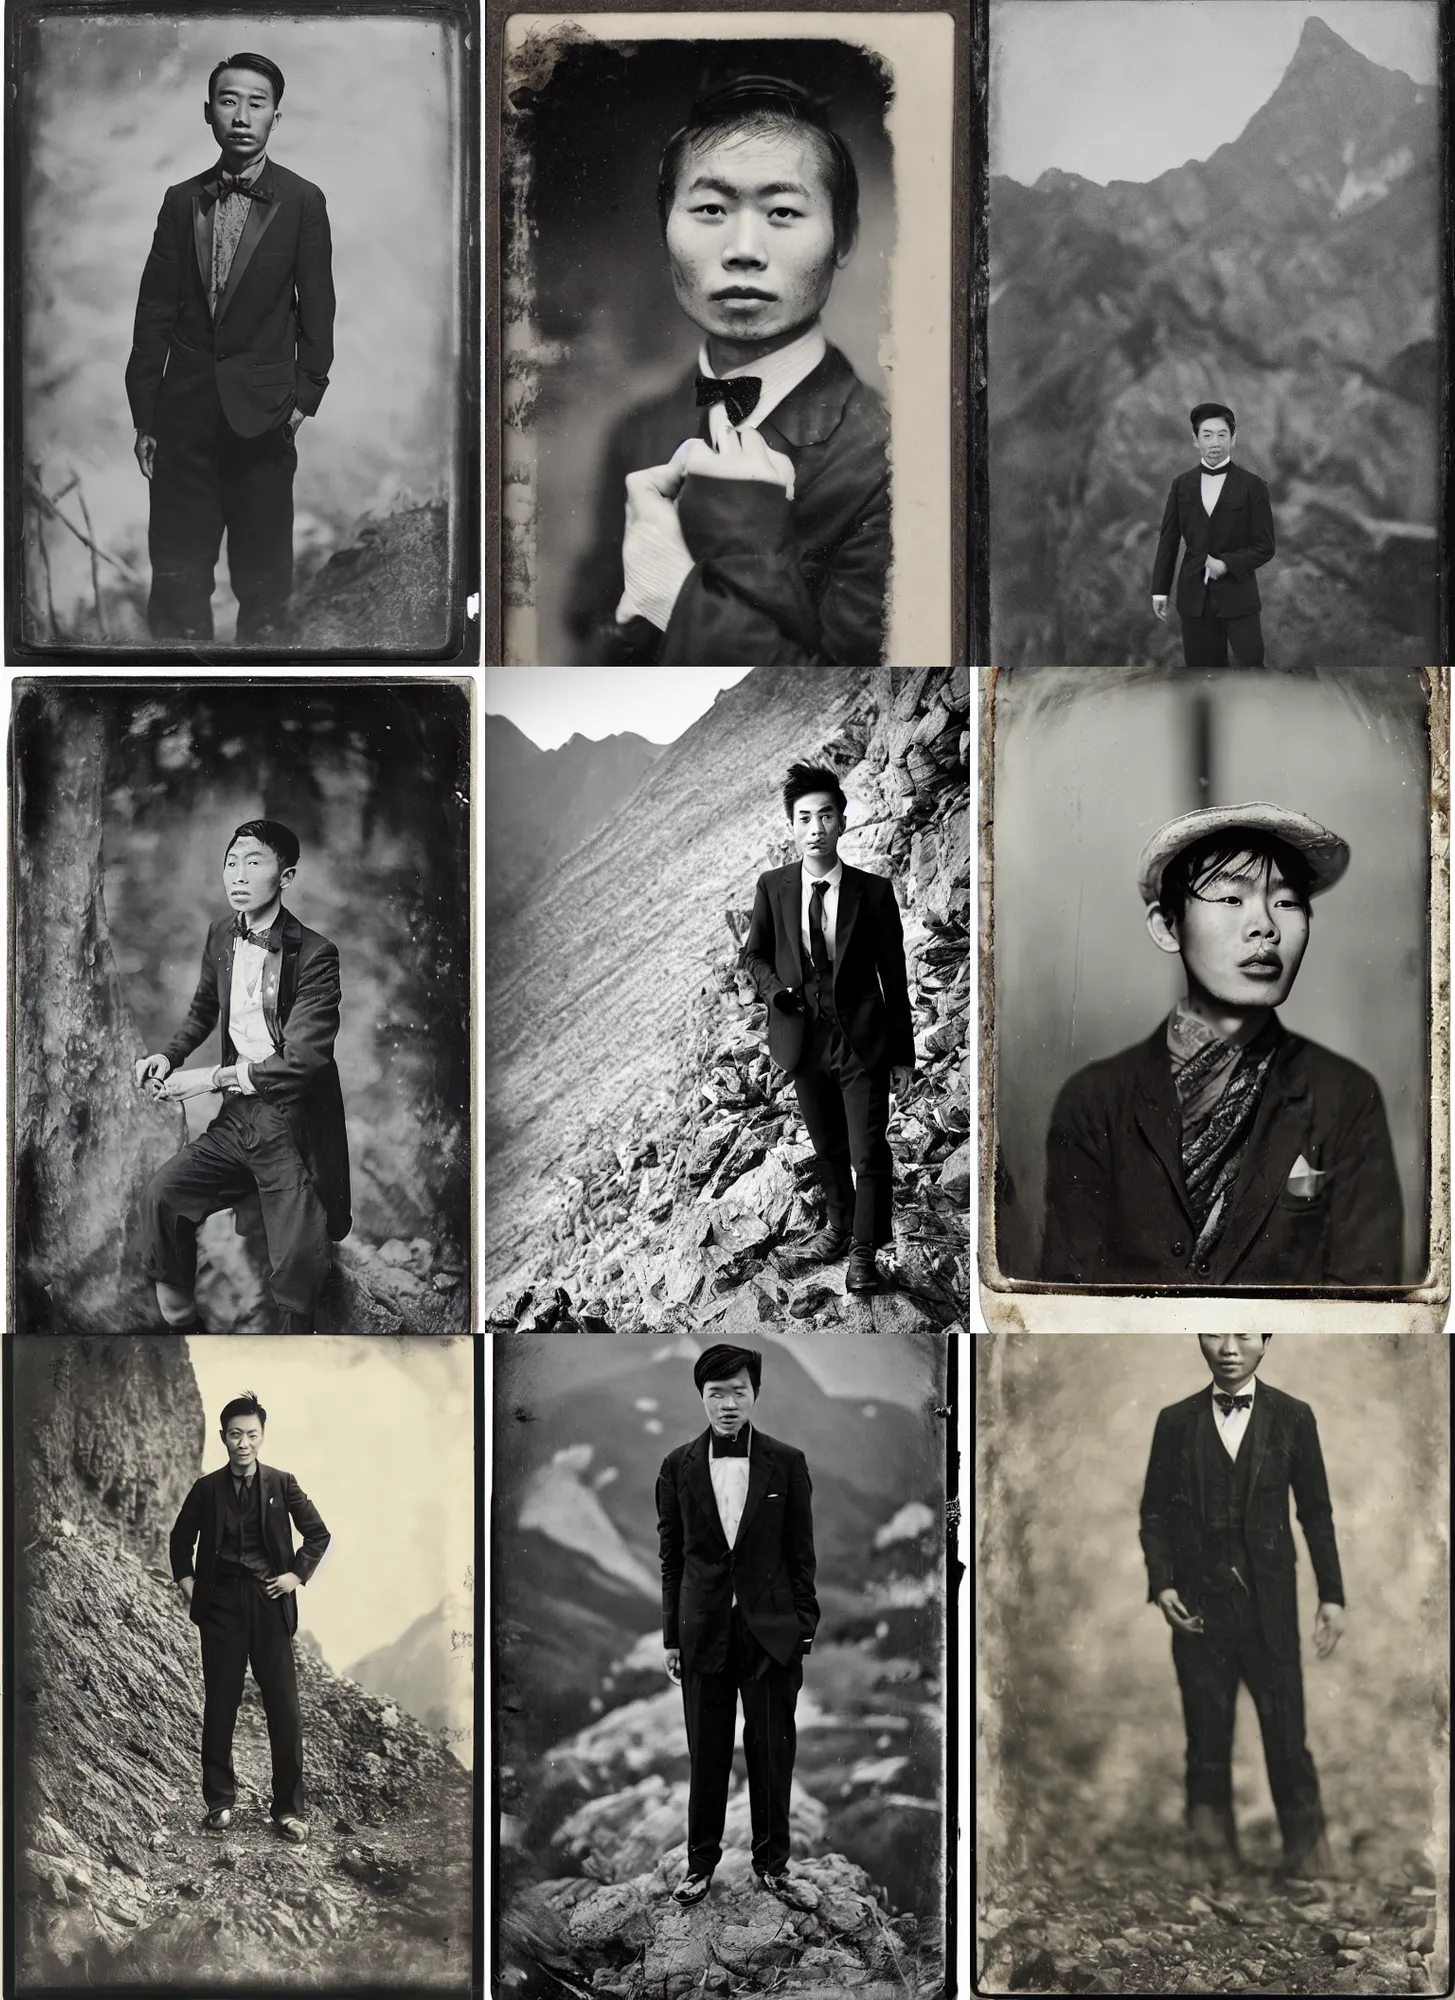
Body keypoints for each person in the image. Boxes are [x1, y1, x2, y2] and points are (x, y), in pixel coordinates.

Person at [567, 75, 890, 666]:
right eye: (710, 208)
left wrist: (676, 599)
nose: (745, 248)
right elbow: (592, 638)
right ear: (666, 231)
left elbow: (846, 688)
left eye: (784, 211)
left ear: (843, 237)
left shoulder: (893, 459)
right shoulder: (638, 429)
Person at [1041, 803, 1402, 1286]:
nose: (1265, 927)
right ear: (1167, 927)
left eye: (1288, 902)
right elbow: (1067, 1292)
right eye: (1232, 899)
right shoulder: (1094, 1101)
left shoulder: (1345, 1096)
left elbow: (1367, 1290)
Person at [125, 52, 335, 644]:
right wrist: (146, 415)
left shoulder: (302, 201)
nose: (241, 115)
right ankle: (180, 717)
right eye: (228, 100)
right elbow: (154, 313)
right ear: (210, 114)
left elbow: (318, 308)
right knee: (178, 583)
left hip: (265, 420)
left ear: (274, 117)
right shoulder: (180, 199)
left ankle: (257, 723)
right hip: (182, 418)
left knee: (265, 589)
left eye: (256, 103)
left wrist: (302, 401)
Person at [135, 819, 352, 1333]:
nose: (238, 874)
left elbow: (301, 1063)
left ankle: (293, 1371)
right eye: (231, 862)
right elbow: (203, 1011)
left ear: (286, 875)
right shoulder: (221, 935)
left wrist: (210, 1078)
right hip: (238, 1119)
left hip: (292, 1129)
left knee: (297, 1272)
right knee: (162, 1198)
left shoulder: (316, 956)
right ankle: (186, 1335)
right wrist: (168, 1057)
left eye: (254, 863)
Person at [1139, 1333, 1344, 1878]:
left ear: (1266, 1342)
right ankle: (1210, 1860)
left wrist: (1332, 1596)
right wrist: (1163, 1587)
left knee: (1286, 1733)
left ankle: (1308, 1861)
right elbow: (1154, 1513)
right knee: (1206, 1733)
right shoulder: (1175, 1422)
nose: (1229, 1348)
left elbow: (1316, 1514)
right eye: (1214, 1334)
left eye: (1244, 1336)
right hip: (1199, 1606)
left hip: (1268, 1610)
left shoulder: (1293, 1417)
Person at [657, 1344, 819, 1908]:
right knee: (707, 1751)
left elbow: (802, 1554)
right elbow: (673, 1558)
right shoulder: (676, 1465)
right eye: (716, 1393)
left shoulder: (787, 1461)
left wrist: (803, 1628)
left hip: (772, 1634)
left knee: (773, 1750)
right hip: (703, 1631)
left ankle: (773, 1867)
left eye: (739, 1392)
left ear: (755, 1394)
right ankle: (699, 1866)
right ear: (701, 1397)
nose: (728, 1404)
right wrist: (672, 1637)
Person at [743, 762, 914, 1293]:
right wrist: (776, 995)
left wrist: (903, 1055)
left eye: (825, 816)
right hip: (803, 1041)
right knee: (828, 1147)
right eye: (804, 818)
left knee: (869, 1150)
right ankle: (839, 1227)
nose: (815, 827)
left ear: (841, 821)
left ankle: (865, 1251)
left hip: (862, 1042)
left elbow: (895, 978)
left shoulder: (874, 893)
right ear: (791, 828)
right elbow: (753, 956)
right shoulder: (773, 888)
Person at [170, 1391, 331, 1842]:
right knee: (221, 1705)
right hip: (220, 1607)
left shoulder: (282, 1484)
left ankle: (288, 1810)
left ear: (262, 1437)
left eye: (251, 1434)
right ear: (223, 1437)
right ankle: (219, 1802)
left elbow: (318, 1534)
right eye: (235, 1434)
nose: (243, 1442)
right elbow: (179, 1545)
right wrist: (194, 1593)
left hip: (269, 1605)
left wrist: (294, 1576)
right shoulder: (206, 1489)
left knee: (285, 1708)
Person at [1151, 402, 1275, 668]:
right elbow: (1168, 541)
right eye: (1207, 435)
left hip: (1239, 599)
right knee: (1202, 679)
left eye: (1222, 435)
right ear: (1196, 441)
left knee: (1253, 672)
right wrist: (1160, 591)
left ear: (1233, 439)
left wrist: (1226, 564)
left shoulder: (1254, 487)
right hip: (1194, 600)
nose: (1215, 442)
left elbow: (1265, 546)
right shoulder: (1181, 485)